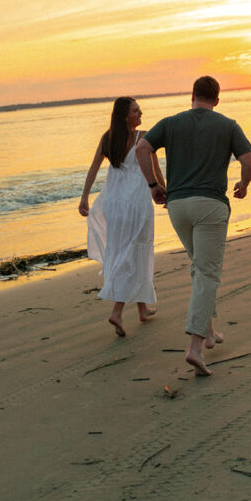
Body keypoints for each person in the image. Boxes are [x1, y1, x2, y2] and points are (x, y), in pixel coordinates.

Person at [136, 76, 251, 376]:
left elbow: (142, 148)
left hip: (177, 206)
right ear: (217, 100)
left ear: (192, 96)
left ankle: (211, 333)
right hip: (210, 206)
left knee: (198, 266)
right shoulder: (228, 125)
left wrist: (153, 184)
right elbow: (250, 161)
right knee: (207, 273)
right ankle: (195, 347)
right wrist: (243, 184)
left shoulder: (171, 122)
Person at [78, 97, 165, 337]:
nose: (141, 113)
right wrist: (163, 191)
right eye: (136, 110)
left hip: (114, 205)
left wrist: (84, 197)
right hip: (136, 204)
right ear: (126, 115)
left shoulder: (108, 138)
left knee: (127, 250)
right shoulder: (143, 137)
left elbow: (93, 168)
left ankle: (143, 308)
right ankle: (117, 311)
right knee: (135, 252)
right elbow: (155, 170)